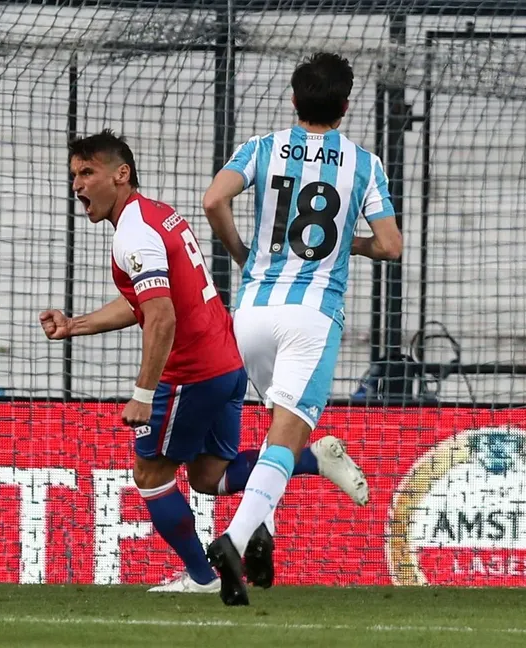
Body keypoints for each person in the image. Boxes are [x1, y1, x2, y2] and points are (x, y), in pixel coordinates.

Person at [41, 130, 368, 594]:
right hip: (226, 363)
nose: (77, 184)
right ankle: (313, 459)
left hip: (191, 374)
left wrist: (141, 394)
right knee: (209, 477)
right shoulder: (157, 216)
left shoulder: (134, 233)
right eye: (74, 174)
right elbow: (146, 302)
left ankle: (202, 578)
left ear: (121, 173)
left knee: (150, 477)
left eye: (87, 172)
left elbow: (161, 318)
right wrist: (76, 325)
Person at [202, 52, 401, 606]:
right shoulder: (364, 162)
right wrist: (347, 244)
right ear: (344, 105)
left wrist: (242, 251)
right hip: (311, 317)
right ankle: (236, 539)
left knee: (272, 440)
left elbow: (214, 199)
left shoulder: (261, 148)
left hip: (250, 313)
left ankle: (262, 534)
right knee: (286, 439)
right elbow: (390, 245)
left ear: (294, 100)